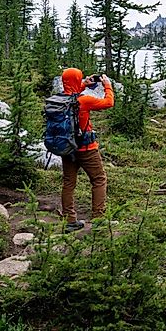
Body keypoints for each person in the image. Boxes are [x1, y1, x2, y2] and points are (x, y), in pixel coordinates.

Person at [59, 67, 114, 231]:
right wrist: (107, 86)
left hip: (67, 148)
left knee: (69, 182)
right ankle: (99, 218)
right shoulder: (83, 101)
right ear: (76, 80)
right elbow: (109, 102)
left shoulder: (59, 99)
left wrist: (83, 84)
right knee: (99, 179)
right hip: (86, 148)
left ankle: (69, 220)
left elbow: (71, 93)